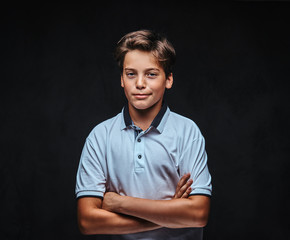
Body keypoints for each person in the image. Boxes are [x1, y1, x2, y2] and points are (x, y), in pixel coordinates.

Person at [75, 29, 212, 240]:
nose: (140, 83)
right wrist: (171, 212)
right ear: (122, 79)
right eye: (131, 74)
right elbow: (88, 222)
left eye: (151, 74)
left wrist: (120, 203)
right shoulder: (100, 137)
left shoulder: (188, 132)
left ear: (168, 80)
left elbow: (198, 215)